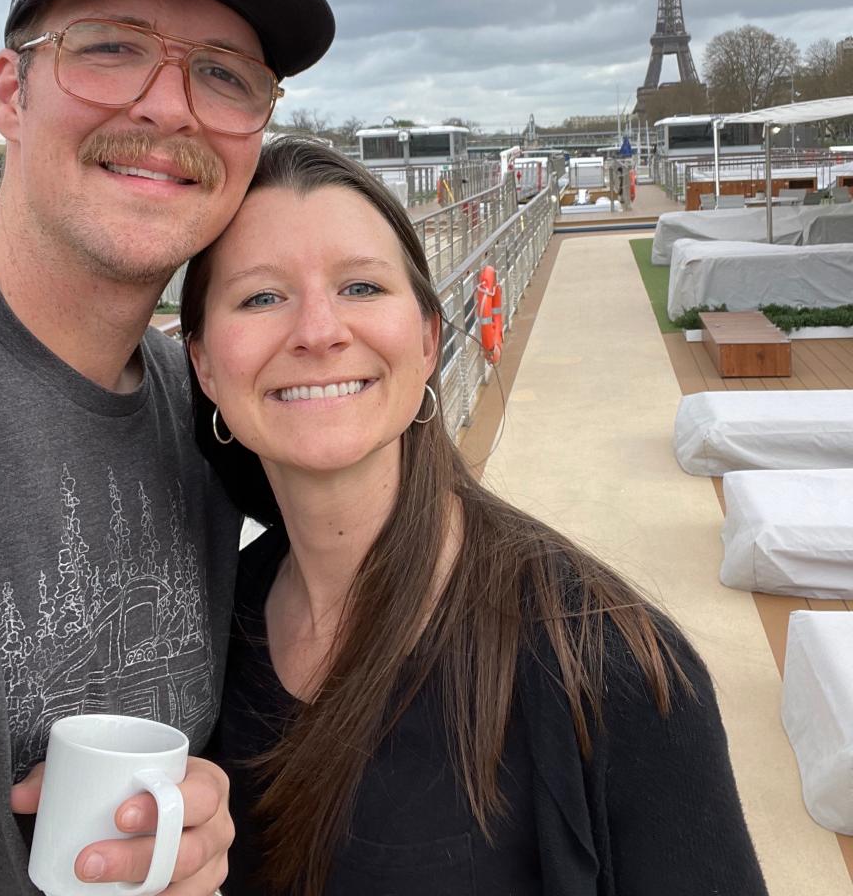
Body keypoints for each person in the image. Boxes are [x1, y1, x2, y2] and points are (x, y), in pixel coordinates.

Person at [0, 0, 334, 892]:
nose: (168, 104)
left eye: (225, 74)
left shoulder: (205, 408)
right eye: (110, 46)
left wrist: (188, 828)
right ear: (11, 90)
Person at [182, 137, 769, 896]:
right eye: (262, 297)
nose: (318, 330)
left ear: (427, 340)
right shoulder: (208, 626)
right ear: (201, 363)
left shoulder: (609, 668)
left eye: (361, 287)